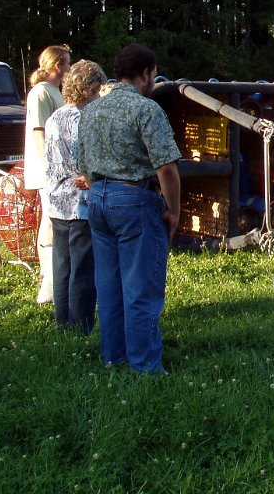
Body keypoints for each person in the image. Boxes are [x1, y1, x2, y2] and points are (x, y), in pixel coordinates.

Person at [77, 44, 181, 374]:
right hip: (135, 199)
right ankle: (145, 365)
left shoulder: (91, 110)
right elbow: (166, 167)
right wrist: (174, 211)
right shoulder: (146, 109)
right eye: (154, 75)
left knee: (109, 287)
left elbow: (84, 167)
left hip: (97, 200)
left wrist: (102, 191)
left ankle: (114, 357)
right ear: (146, 73)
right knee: (141, 288)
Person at [44, 60, 107, 334]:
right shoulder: (85, 119)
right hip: (81, 201)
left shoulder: (55, 117)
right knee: (82, 267)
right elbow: (88, 160)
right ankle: (80, 326)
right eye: (99, 89)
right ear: (89, 89)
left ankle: (63, 322)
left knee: (62, 265)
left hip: (56, 200)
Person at [24, 44, 71, 304]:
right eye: (67, 62)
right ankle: (48, 286)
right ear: (57, 65)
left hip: (58, 169)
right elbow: (39, 132)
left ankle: (55, 280)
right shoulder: (40, 92)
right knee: (50, 223)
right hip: (48, 170)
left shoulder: (55, 90)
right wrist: (50, 167)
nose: (69, 67)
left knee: (55, 222)